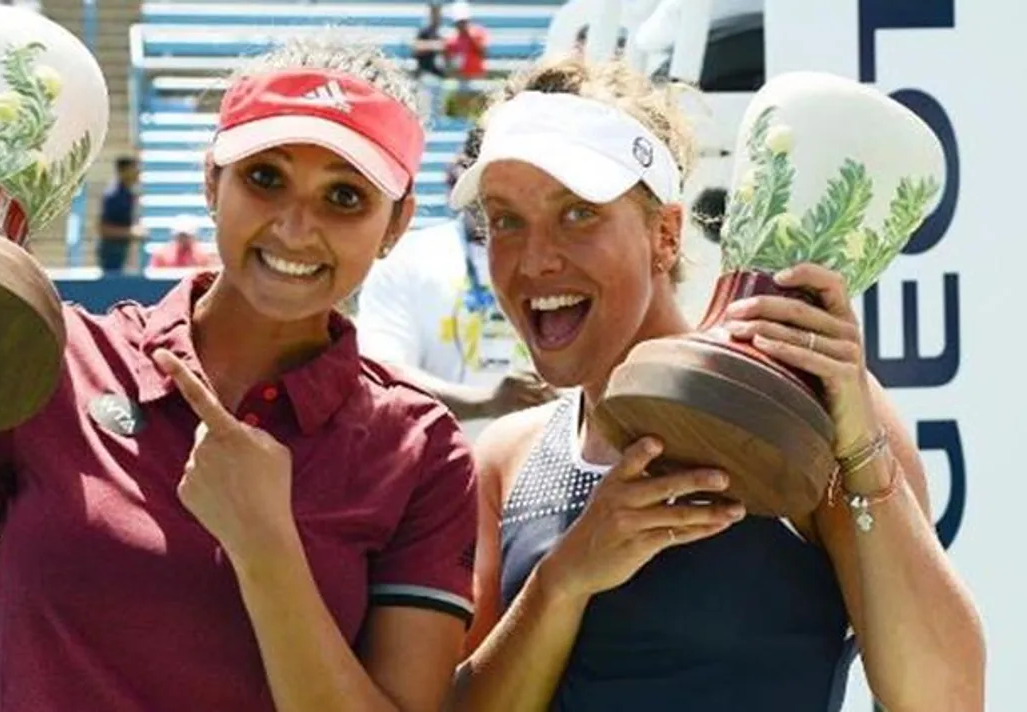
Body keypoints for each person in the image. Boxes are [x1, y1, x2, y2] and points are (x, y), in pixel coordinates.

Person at [0, 37, 478, 712]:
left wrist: (265, 546)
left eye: (345, 197)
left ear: (396, 224)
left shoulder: (421, 450)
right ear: (212, 181)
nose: (297, 228)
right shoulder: (57, 362)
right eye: (265, 178)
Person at [446, 56, 985, 711]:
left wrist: (864, 456)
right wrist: (564, 580)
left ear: (665, 235)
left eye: (578, 213)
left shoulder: (797, 402)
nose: (534, 259)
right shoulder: (509, 456)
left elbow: (945, 700)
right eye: (505, 220)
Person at [356, 127, 556, 435]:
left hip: (544, 464)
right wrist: (486, 402)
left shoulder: (561, 262)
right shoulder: (407, 259)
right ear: (458, 173)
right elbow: (379, 374)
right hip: (438, 470)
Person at [97, 155, 145, 273]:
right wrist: (131, 232)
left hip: (121, 249)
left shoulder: (127, 193)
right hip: (112, 251)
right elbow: (103, 229)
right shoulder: (114, 196)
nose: (138, 172)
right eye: (134, 168)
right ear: (123, 171)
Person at [412, 2, 447, 119]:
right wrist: (436, 45)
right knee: (425, 113)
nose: (437, 17)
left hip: (439, 77)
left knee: (438, 113)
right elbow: (416, 47)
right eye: (434, 13)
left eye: (438, 13)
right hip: (425, 76)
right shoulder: (424, 32)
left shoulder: (441, 33)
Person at [149, 214, 216, 269]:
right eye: (181, 236)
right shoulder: (161, 255)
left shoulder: (203, 255)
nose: (183, 239)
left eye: (186, 236)